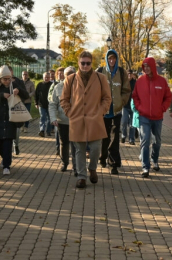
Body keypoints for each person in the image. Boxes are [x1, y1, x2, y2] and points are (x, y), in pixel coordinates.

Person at [60, 51, 111, 188]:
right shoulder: (70, 79)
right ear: (78, 63)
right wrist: (69, 112)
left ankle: (92, 168)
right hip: (77, 119)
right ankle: (82, 177)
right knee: (79, 150)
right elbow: (63, 99)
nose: (85, 66)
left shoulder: (101, 78)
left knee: (96, 148)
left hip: (95, 119)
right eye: (83, 63)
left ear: (91, 63)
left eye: (88, 63)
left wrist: (101, 111)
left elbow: (107, 98)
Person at [132, 57, 172, 178]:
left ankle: (154, 159)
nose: (146, 68)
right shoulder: (140, 81)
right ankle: (145, 167)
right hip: (144, 117)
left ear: (153, 67)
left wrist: (162, 108)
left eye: (148, 66)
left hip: (157, 117)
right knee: (145, 140)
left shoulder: (162, 81)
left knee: (157, 141)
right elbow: (135, 96)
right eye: (144, 66)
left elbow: (168, 97)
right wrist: (139, 108)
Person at [96, 50, 131, 175]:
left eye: (114, 59)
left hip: (116, 111)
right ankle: (102, 157)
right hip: (104, 111)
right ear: (106, 59)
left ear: (116, 60)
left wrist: (121, 102)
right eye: (109, 59)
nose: (112, 61)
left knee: (115, 138)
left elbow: (126, 90)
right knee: (104, 137)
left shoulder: (121, 73)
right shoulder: (100, 72)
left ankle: (113, 164)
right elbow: (94, 89)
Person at [0, 65, 29, 175]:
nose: (7, 81)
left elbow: (26, 95)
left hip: (10, 118)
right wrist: (2, 95)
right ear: (0, 78)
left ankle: (6, 165)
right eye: (5, 79)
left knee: (7, 141)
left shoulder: (15, 84)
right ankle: (6, 158)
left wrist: (19, 91)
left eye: (9, 78)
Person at [49, 66, 77, 174]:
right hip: (62, 120)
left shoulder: (80, 87)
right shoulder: (58, 87)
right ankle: (64, 162)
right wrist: (53, 118)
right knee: (64, 143)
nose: (70, 76)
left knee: (76, 144)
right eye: (67, 74)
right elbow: (52, 104)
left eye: (72, 74)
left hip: (75, 120)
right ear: (64, 76)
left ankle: (76, 166)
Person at [8, 65, 25, 155]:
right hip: (5, 110)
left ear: (12, 72)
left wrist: (18, 89)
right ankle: (7, 153)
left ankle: (16, 145)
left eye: (9, 72)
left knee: (17, 130)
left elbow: (25, 94)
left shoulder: (18, 81)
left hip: (16, 108)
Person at [50, 67, 65, 156]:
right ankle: (58, 148)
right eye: (58, 73)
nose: (60, 75)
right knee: (57, 133)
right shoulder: (54, 85)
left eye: (62, 73)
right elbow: (50, 97)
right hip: (57, 113)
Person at [121, 69, 137, 145]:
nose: (129, 76)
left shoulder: (135, 83)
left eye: (130, 74)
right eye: (128, 74)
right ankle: (123, 135)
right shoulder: (123, 83)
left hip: (133, 107)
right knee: (124, 122)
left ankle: (131, 139)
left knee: (132, 124)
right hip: (125, 106)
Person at [35, 72, 53, 137]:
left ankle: (48, 131)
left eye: (48, 77)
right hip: (41, 104)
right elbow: (36, 94)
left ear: (50, 78)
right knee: (42, 117)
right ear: (43, 77)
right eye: (45, 77)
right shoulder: (40, 84)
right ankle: (42, 130)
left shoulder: (52, 85)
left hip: (50, 105)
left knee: (49, 119)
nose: (46, 78)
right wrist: (36, 103)